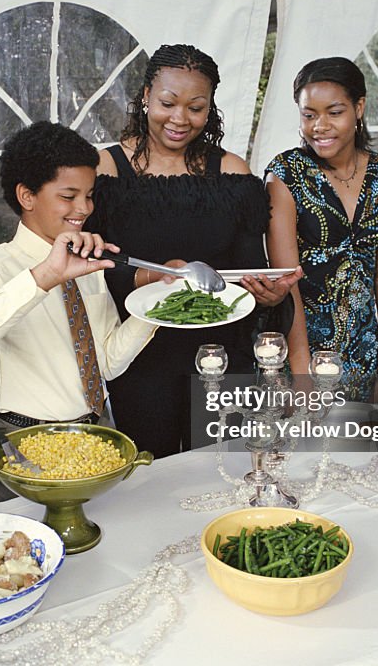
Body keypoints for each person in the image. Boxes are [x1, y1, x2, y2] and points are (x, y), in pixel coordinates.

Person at [88, 44, 298, 458]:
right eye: (168, 103)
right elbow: (91, 268)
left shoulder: (232, 171)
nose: (180, 119)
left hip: (221, 353)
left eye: (196, 107)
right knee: (149, 477)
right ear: (146, 95)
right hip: (139, 354)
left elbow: (247, 268)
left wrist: (269, 293)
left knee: (221, 467)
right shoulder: (105, 169)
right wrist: (153, 274)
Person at [0, 122, 157, 502]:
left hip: (97, 434)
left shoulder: (87, 267)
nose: (84, 209)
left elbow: (106, 364)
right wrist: (43, 278)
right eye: (69, 195)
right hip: (22, 445)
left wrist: (156, 307)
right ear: (26, 195)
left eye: (89, 195)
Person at [266, 57, 378, 400]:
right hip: (302, 349)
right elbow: (287, 281)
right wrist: (300, 374)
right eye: (309, 114)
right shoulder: (285, 175)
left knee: (363, 450)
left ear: (359, 108)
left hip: (365, 349)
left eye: (334, 112)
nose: (320, 126)